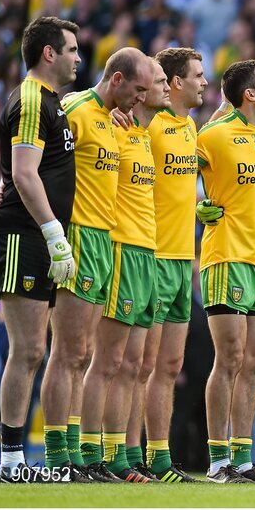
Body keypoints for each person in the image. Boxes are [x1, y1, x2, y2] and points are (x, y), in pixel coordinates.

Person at [45, 46, 153, 482]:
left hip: (104, 239)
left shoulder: (113, 122)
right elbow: (33, 155)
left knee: (83, 352)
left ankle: (78, 456)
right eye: (137, 90)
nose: (140, 99)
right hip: (77, 236)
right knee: (67, 352)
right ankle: (58, 456)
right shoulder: (73, 109)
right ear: (116, 80)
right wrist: (6, 187)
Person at [0, 16, 81, 483]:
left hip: (35, 235)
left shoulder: (53, 103)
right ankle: (10, 460)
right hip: (23, 236)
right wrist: (53, 232)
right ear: (49, 53)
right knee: (27, 350)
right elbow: (24, 173)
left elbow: (24, 172)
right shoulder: (29, 100)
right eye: (72, 50)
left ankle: (17, 457)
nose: (78, 58)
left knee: (35, 350)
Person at [81, 59, 169, 482]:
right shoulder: (109, 125)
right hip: (117, 248)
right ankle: (88, 451)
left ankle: (120, 456)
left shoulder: (143, 134)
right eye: (155, 83)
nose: (159, 89)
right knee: (108, 360)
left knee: (135, 365)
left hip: (147, 253)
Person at [195, 59, 255, 483]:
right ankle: (216, 461)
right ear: (249, 92)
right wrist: (196, 205)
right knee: (228, 358)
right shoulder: (211, 136)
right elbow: (168, 171)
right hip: (226, 257)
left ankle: (243, 459)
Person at [127, 48, 207, 482]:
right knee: (138, 364)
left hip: (181, 261)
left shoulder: (190, 126)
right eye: (197, 75)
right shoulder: (145, 123)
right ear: (175, 82)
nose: (204, 82)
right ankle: (124, 454)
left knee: (169, 367)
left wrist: (205, 206)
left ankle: (160, 458)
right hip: (150, 257)